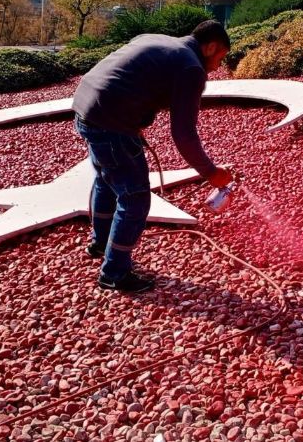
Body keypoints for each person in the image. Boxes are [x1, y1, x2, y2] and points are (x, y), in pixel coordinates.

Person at [72, 20, 234, 293]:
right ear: (211, 47)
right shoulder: (192, 68)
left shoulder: (158, 39)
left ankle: (101, 244)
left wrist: (136, 119)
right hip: (110, 120)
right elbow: (183, 133)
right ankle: (114, 273)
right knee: (134, 197)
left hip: (85, 106)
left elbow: (133, 78)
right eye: (220, 58)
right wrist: (210, 172)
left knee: (107, 178)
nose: (218, 67)